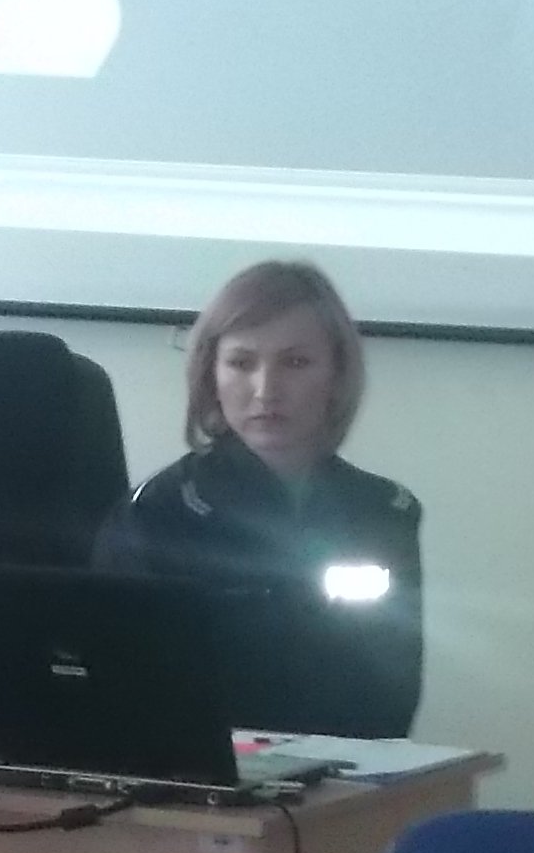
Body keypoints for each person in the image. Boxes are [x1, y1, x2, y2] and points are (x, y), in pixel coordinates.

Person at [95, 260, 425, 736]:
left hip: (345, 770)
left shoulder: (382, 511)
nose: (266, 390)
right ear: (210, 373)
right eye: (241, 363)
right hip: (203, 772)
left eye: (295, 363)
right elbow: (128, 693)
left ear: (337, 374)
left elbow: (390, 694)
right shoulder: (158, 513)